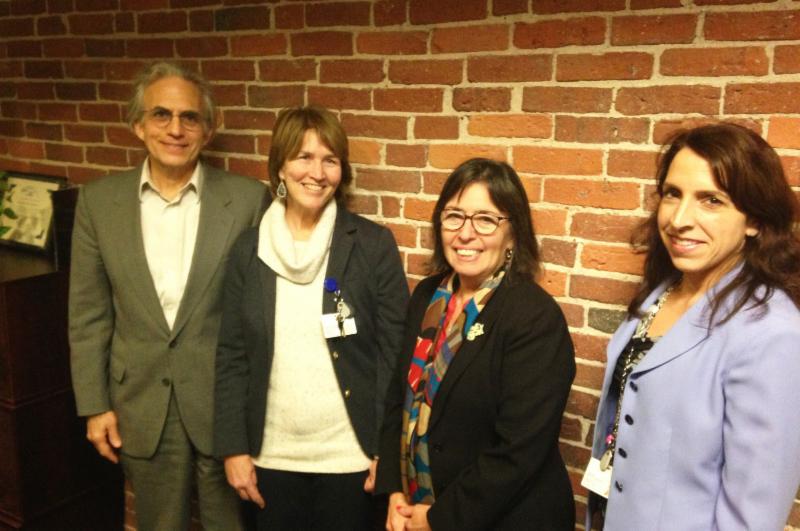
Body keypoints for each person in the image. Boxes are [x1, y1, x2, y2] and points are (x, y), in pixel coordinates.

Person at [69, 61, 268, 531]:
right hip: (140, 401)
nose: (175, 129)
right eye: (161, 115)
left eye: (190, 117)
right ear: (138, 125)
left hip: (224, 407)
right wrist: (95, 405)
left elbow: (259, 315)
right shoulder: (99, 203)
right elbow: (88, 314)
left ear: (208, 129)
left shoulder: (246, 201)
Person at [585, 123, 800, 530]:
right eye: (672, 194)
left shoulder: (772, 333)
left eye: (711, 200)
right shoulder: (663, 293)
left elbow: (751, 517)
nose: (680, 219)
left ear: (753, 219)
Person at [213, 105, 409, 530]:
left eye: (330, 160)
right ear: (280, 167)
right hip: (269, 459)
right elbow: (231, 355)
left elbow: (395, 356)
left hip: (351, 459)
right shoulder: (249, 250)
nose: (316, 172)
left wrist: (386, 454)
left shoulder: (372, 245)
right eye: (303, 156)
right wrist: (233, 449)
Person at [376, 158, 576, 531]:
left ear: (512, 233)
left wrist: (437, 519)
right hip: (414, 507)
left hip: (500, 519)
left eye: (485, 220)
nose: (465, 234)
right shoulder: (426, 297)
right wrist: (394, 491)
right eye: (454, 216)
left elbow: (518, 451)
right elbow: (395, 398)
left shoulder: (534, 318)